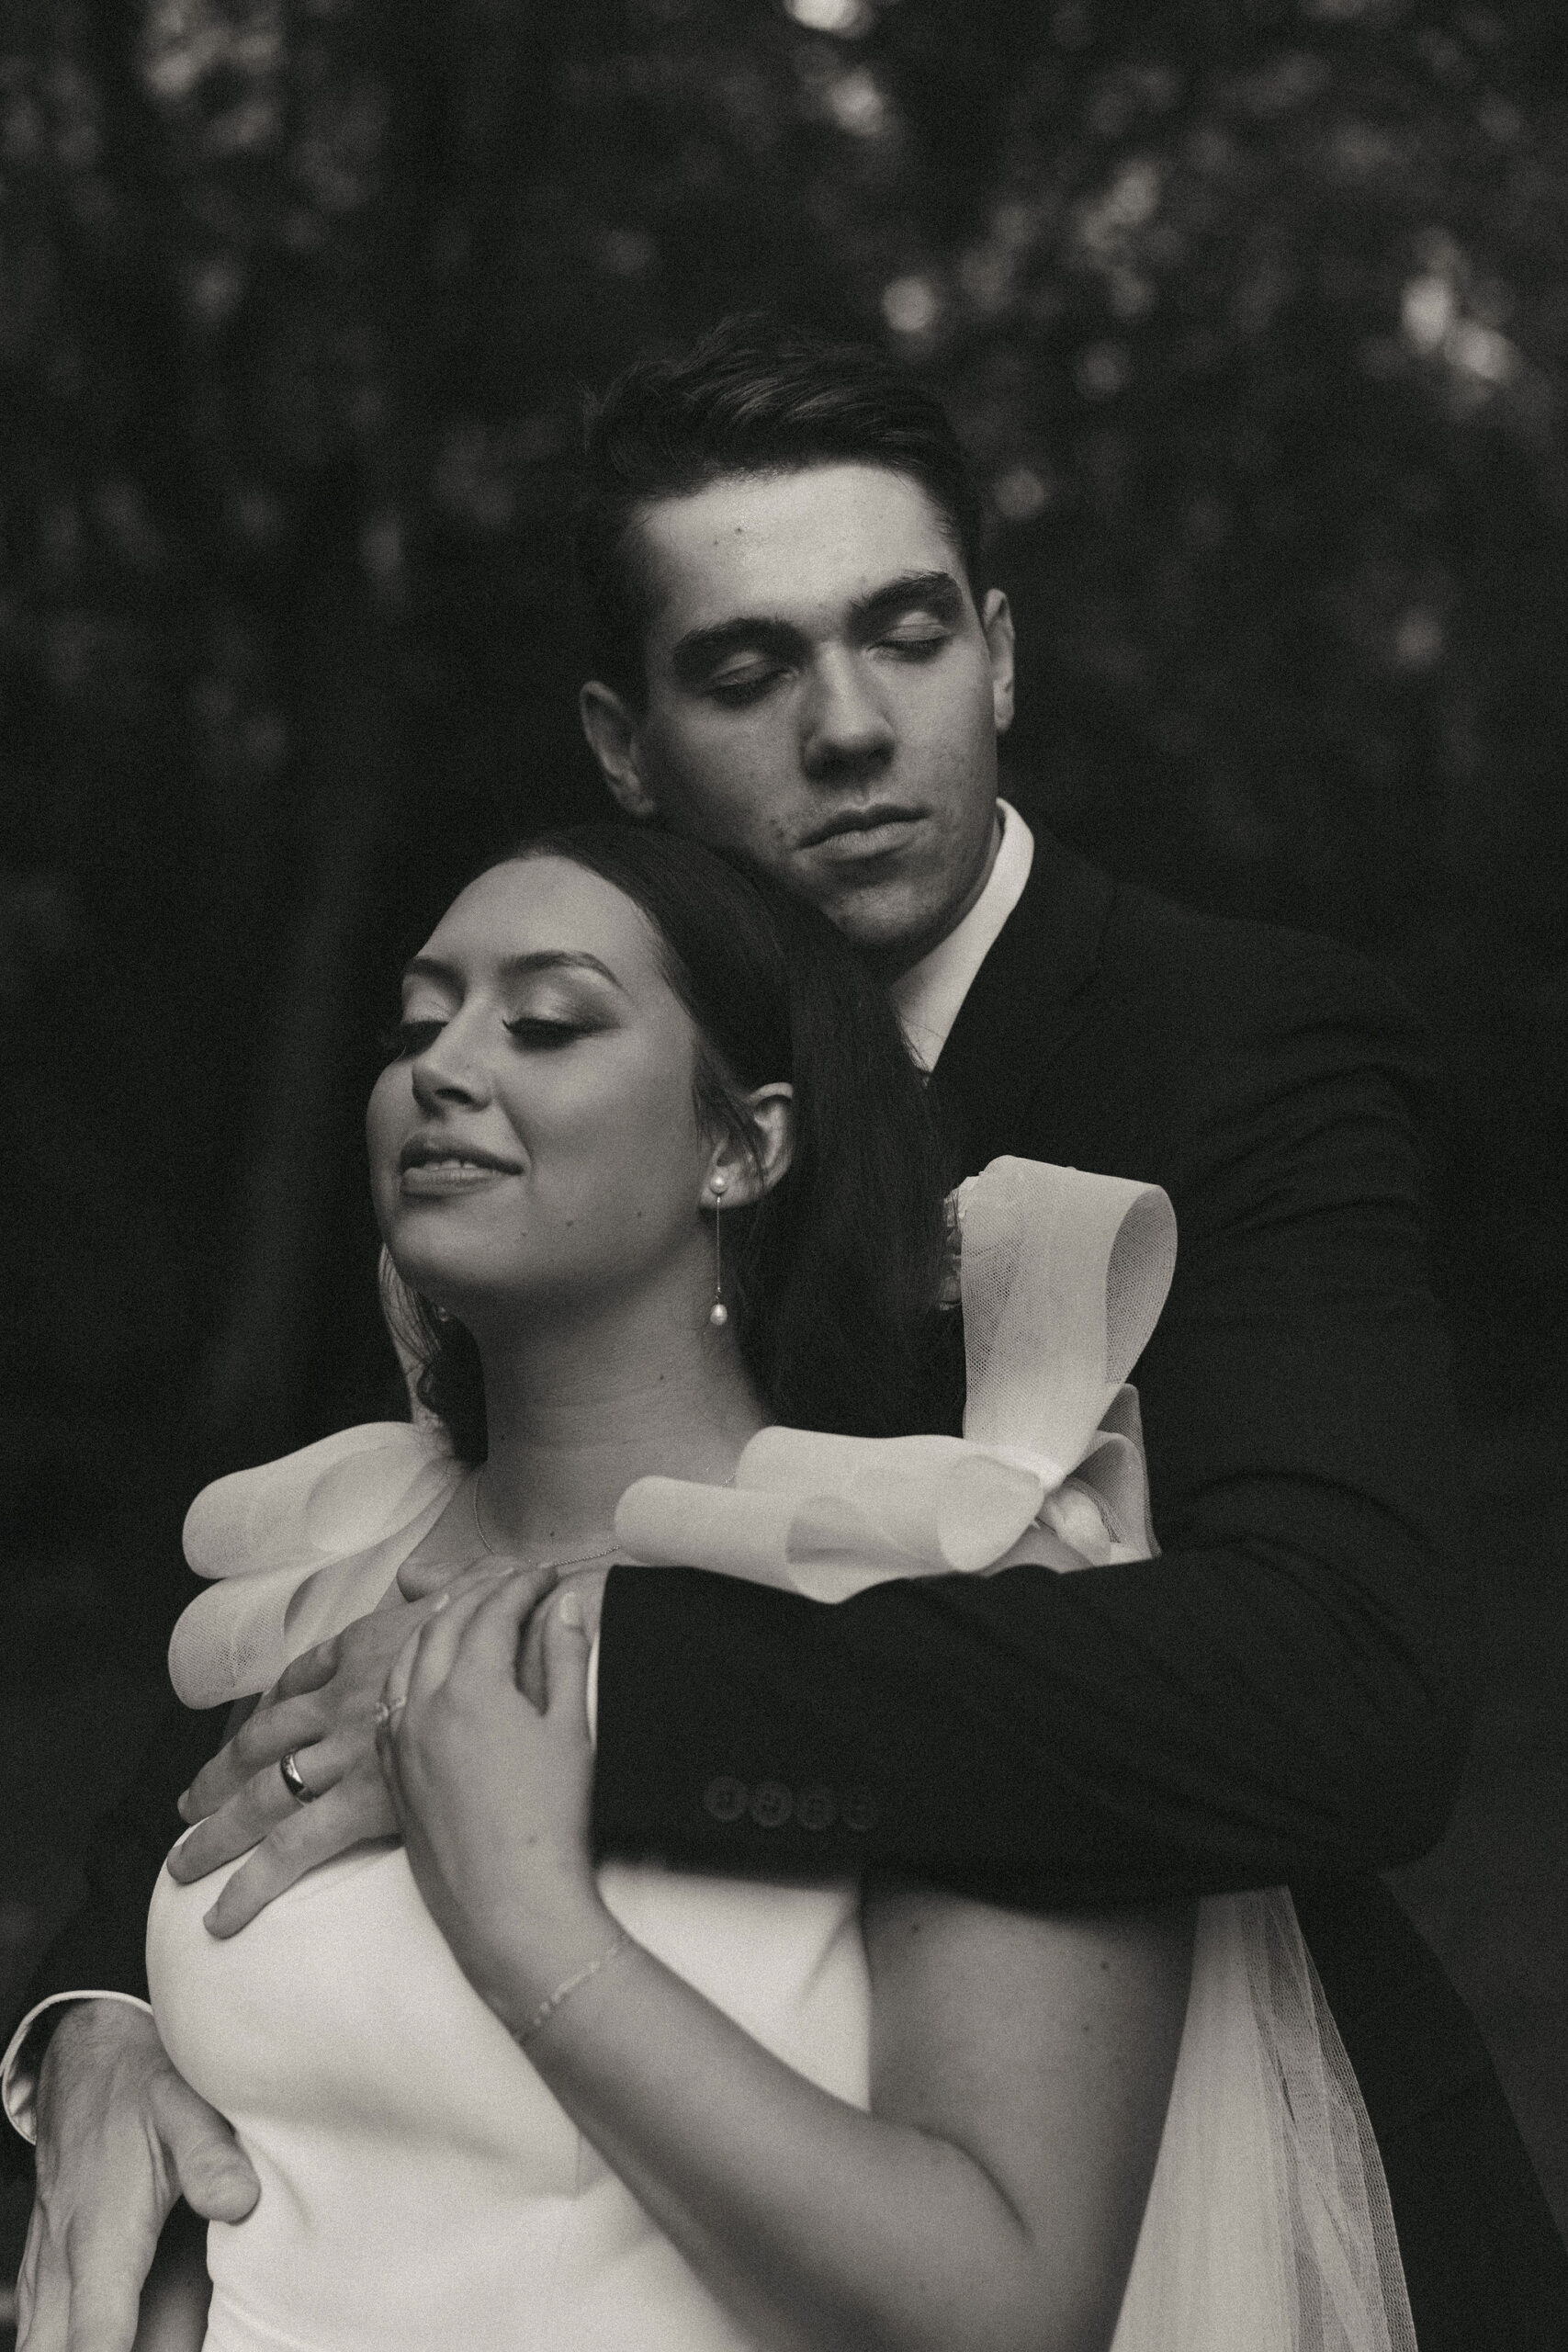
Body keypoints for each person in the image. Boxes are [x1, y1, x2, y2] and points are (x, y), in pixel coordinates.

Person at [6, 320, 1565, 2349]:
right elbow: (383, 1565)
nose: (848, 725)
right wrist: (103, 2002)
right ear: (626, 742)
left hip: (1179, 2169)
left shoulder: (1227, 1044)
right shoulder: (558, 1079)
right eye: (746, 669)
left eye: (904, 634)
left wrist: (570, 1691)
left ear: (996, 652)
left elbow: (1340, 1686)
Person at [151, 827, 1414, 2351]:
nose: (445, 1065)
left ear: (742, 1146)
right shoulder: (327, 1561)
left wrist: (532, 1930)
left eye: (544, 1021)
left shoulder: (947, 1584)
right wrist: (119, 2104)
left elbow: (1006, 2309)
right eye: (417, 1025)